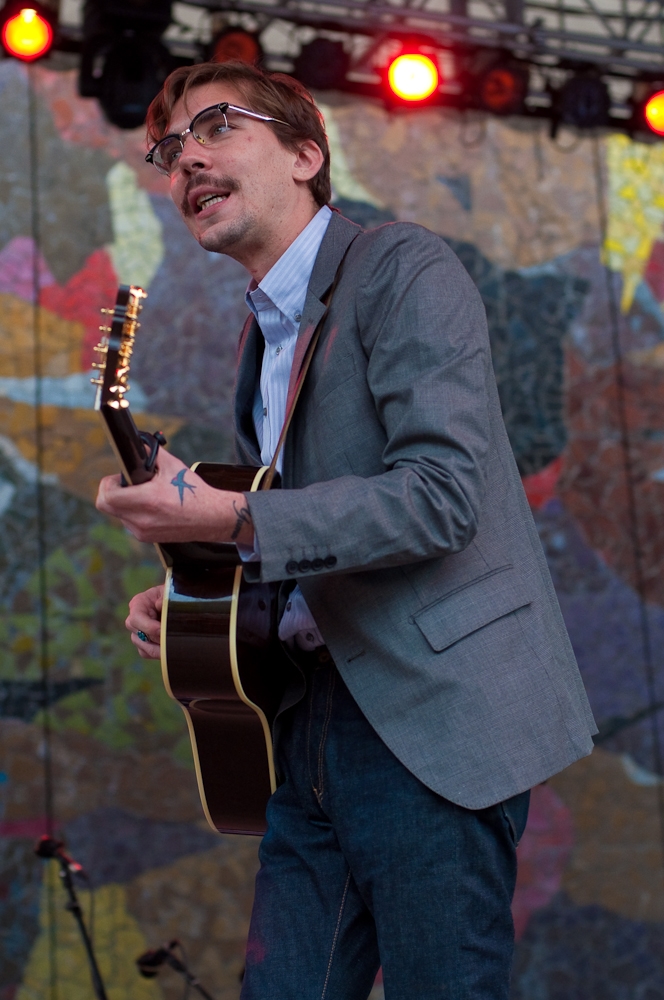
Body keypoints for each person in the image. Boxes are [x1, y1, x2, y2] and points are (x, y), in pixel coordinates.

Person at [96, 60, 597, 1000]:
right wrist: (203, 598)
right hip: (309, 726)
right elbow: (311, 538)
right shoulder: (262, 340)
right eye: (168, 150)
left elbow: (444, 495)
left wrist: (232, 516)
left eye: (216, 129)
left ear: (305, 154)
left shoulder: (404, 267)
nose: (186, 161)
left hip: (430, 723)